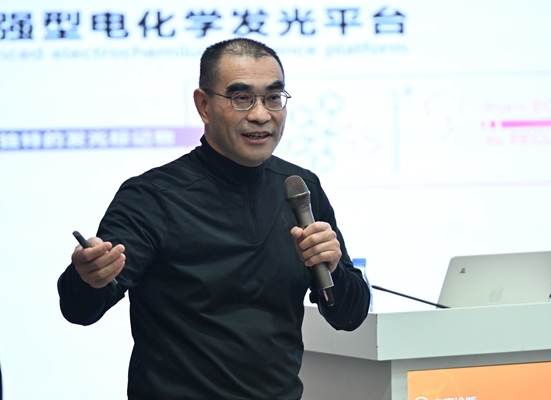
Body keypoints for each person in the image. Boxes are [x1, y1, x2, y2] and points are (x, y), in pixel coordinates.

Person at [58, 38, 370, 400]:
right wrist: (88, 277)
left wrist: (333, 269)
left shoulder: (299, 189)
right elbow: (81, 309)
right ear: (204, 105)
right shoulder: (152, 197)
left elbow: (349, 317)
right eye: (241, 98)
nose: (261, 114)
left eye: (273, 97)